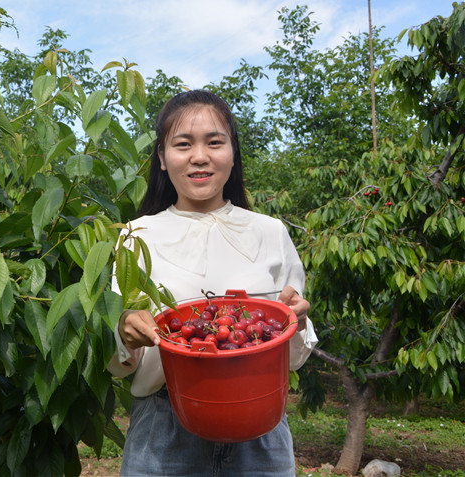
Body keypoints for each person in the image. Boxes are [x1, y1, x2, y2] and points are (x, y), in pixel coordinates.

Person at [107, 89, 318, 476]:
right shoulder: (137, 235)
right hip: (164, 430)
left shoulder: (270, 232)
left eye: (214, 143)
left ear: (233, 153)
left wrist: (297, 321)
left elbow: (292, 355)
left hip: (259, 429)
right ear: (162, 159)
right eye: (183, 144)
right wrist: (125, 331)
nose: (199, 156)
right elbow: (118, 357)